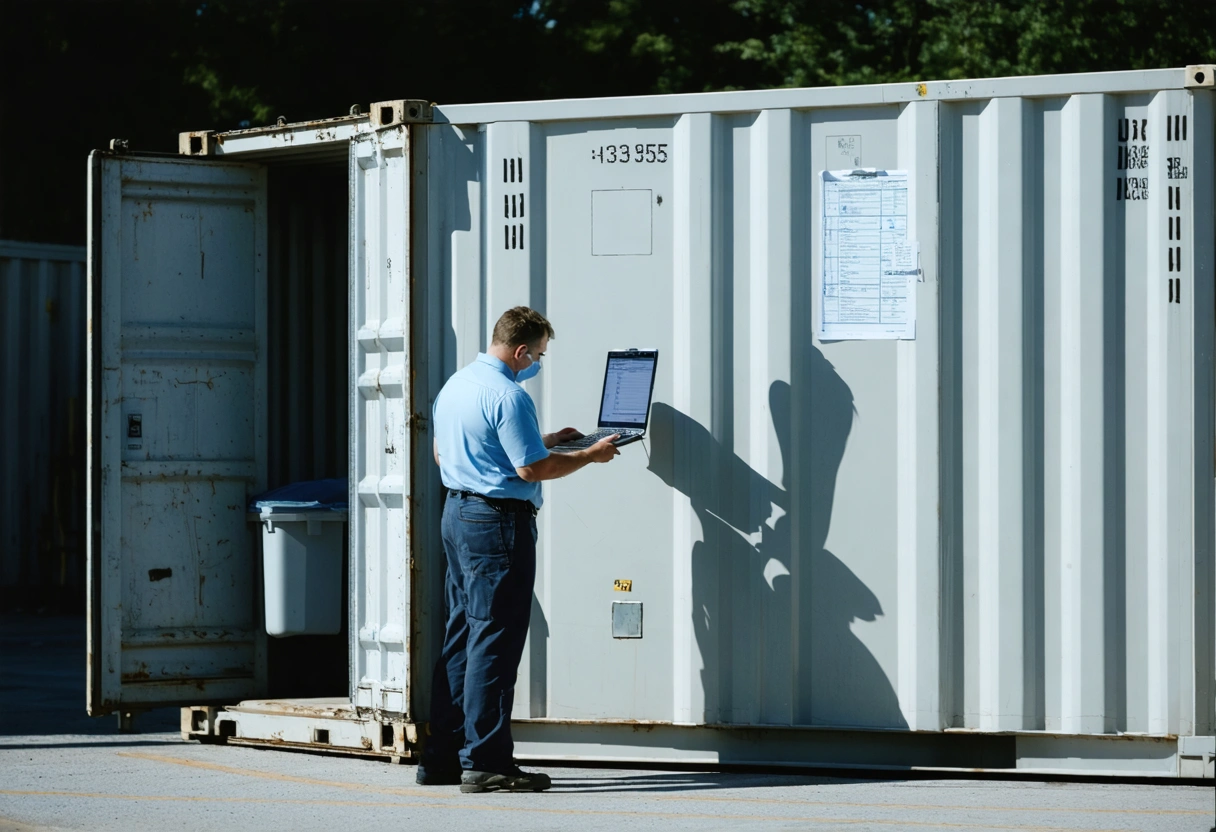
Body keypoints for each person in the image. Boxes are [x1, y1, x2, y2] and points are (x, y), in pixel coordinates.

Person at [417, 306, 621, 793]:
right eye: (540, 356)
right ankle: (486, 761)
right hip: (497, 524)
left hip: (457, 514)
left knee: (462, 635)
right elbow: (531, 471)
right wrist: (591, 455)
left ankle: (442, 758)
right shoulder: (510, 396)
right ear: (521, 350)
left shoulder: (457, 385)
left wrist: (547, 441)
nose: (538, 365)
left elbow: (446, 452)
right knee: (495, 641)